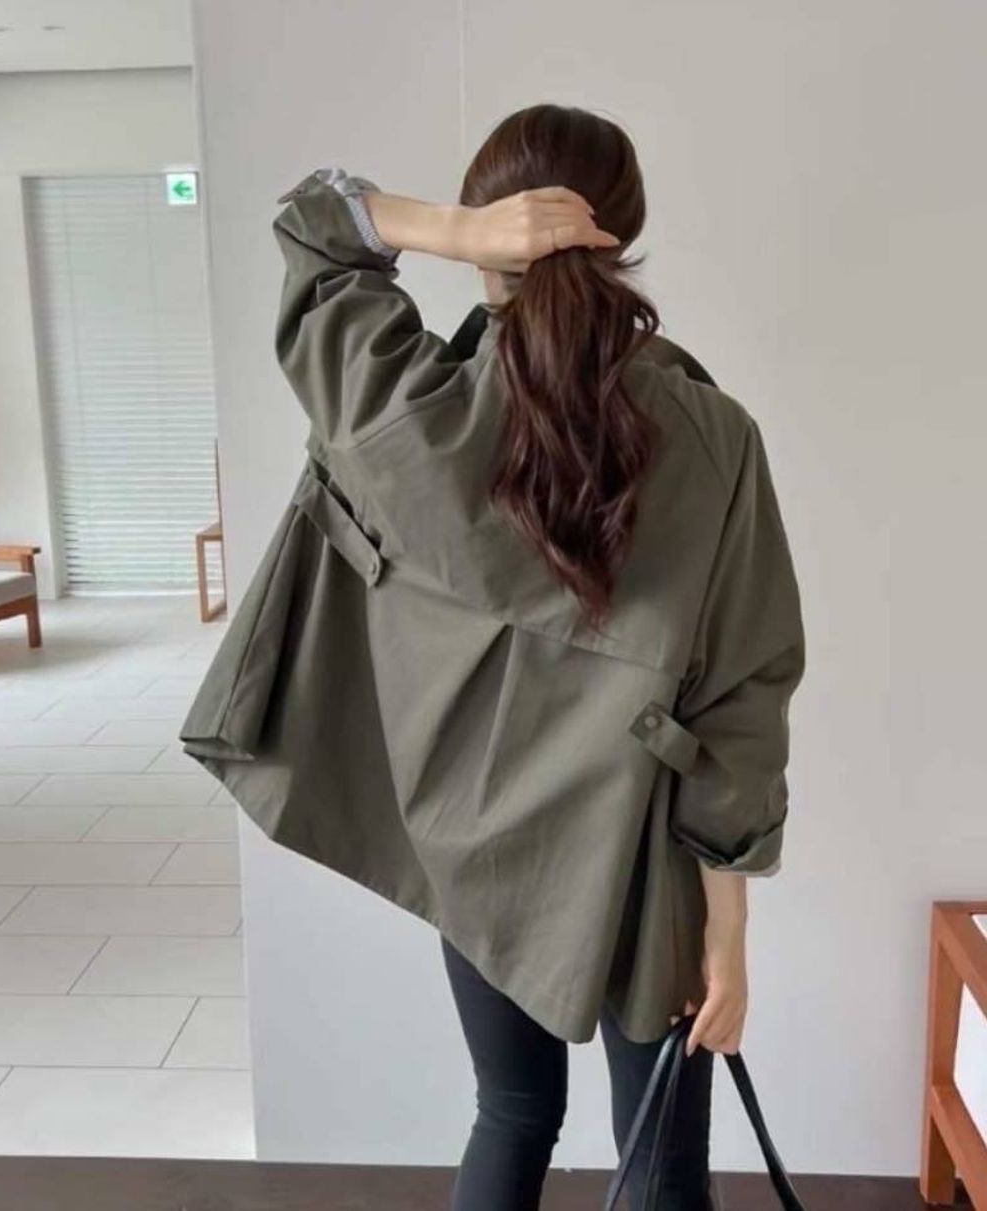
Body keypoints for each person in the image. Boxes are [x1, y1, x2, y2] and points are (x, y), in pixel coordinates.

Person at [180, 102, 805, 1211]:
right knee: (660, 1149)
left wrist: (448, 231)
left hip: (469, 839)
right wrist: (730, 926)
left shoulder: (401, 410)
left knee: (511, 1113)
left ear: (492, 232)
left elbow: (316, 223)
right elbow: (742, 699)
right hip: (640, 850)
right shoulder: (715, 439)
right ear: (626, 233)